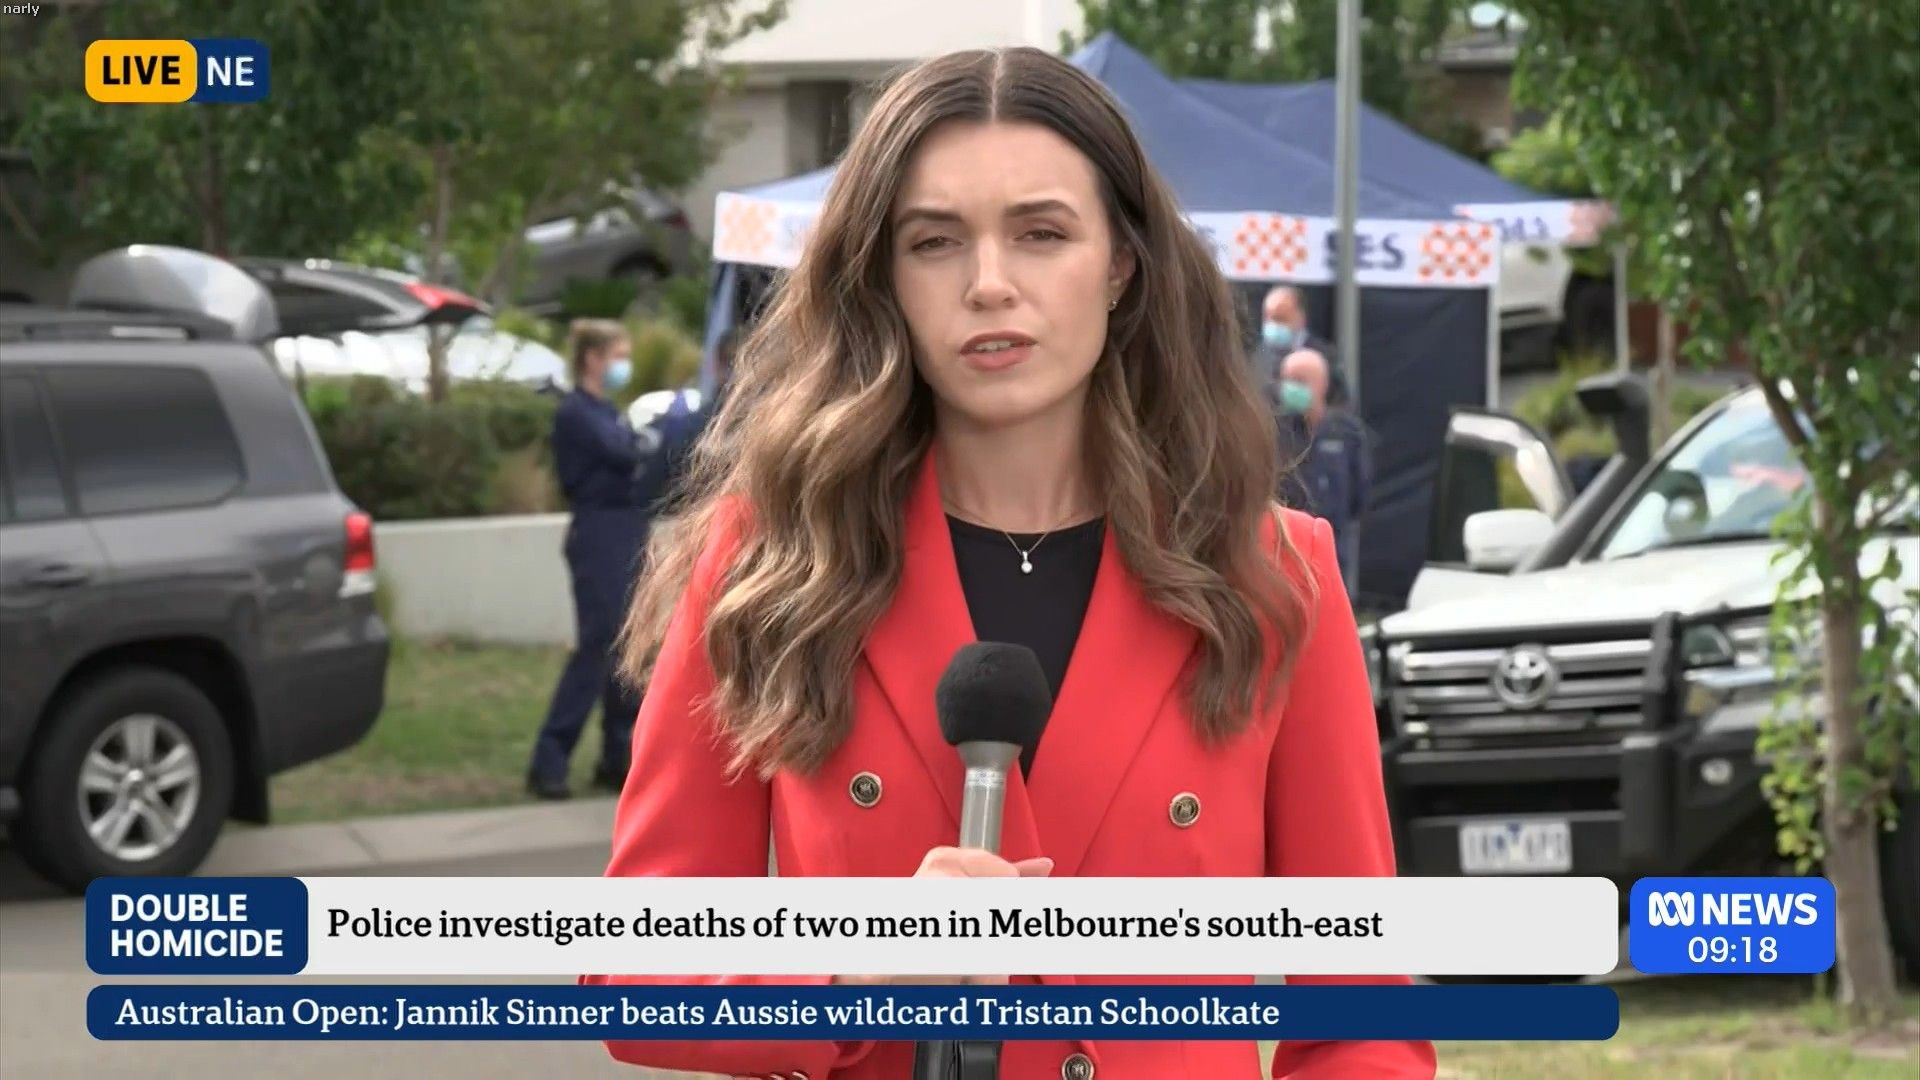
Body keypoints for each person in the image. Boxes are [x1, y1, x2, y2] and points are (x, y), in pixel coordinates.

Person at [582, 46, 1433, 1080]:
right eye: (935, 242)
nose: (990, 284)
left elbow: (1359, 1020)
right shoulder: (765, 565)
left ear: (1120, 264)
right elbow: (635, 977)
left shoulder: (1275, 576)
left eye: (1041, 233)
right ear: (883, 278)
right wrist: (858, 971)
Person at [526, 319, 648, 801]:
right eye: (618, 355)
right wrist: (645, 444)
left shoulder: (606, 410)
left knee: (627, 646)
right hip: (597, 530)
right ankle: (549, 760)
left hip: (626, 528)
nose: (624, 364)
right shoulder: (577, 412)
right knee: (598, 645)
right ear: (592, 359)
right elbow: (621, 452)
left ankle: (617, 756)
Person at [1273, 348, 1373, 601]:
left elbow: (1360, 492)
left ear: (1322, 384)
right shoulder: (1275, 431)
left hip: (1333, 545)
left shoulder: (1347, 432)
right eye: (1287, 380)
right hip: (1286, 545)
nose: (1291, 387)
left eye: (1300, 380)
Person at [1254, 284, 1340, 389]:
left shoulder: (1325, 357)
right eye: (1269, 318)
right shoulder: (1258, 356)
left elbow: (1340, 397)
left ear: (1301, 318)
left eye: (1281, 318)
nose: (1274, 325)